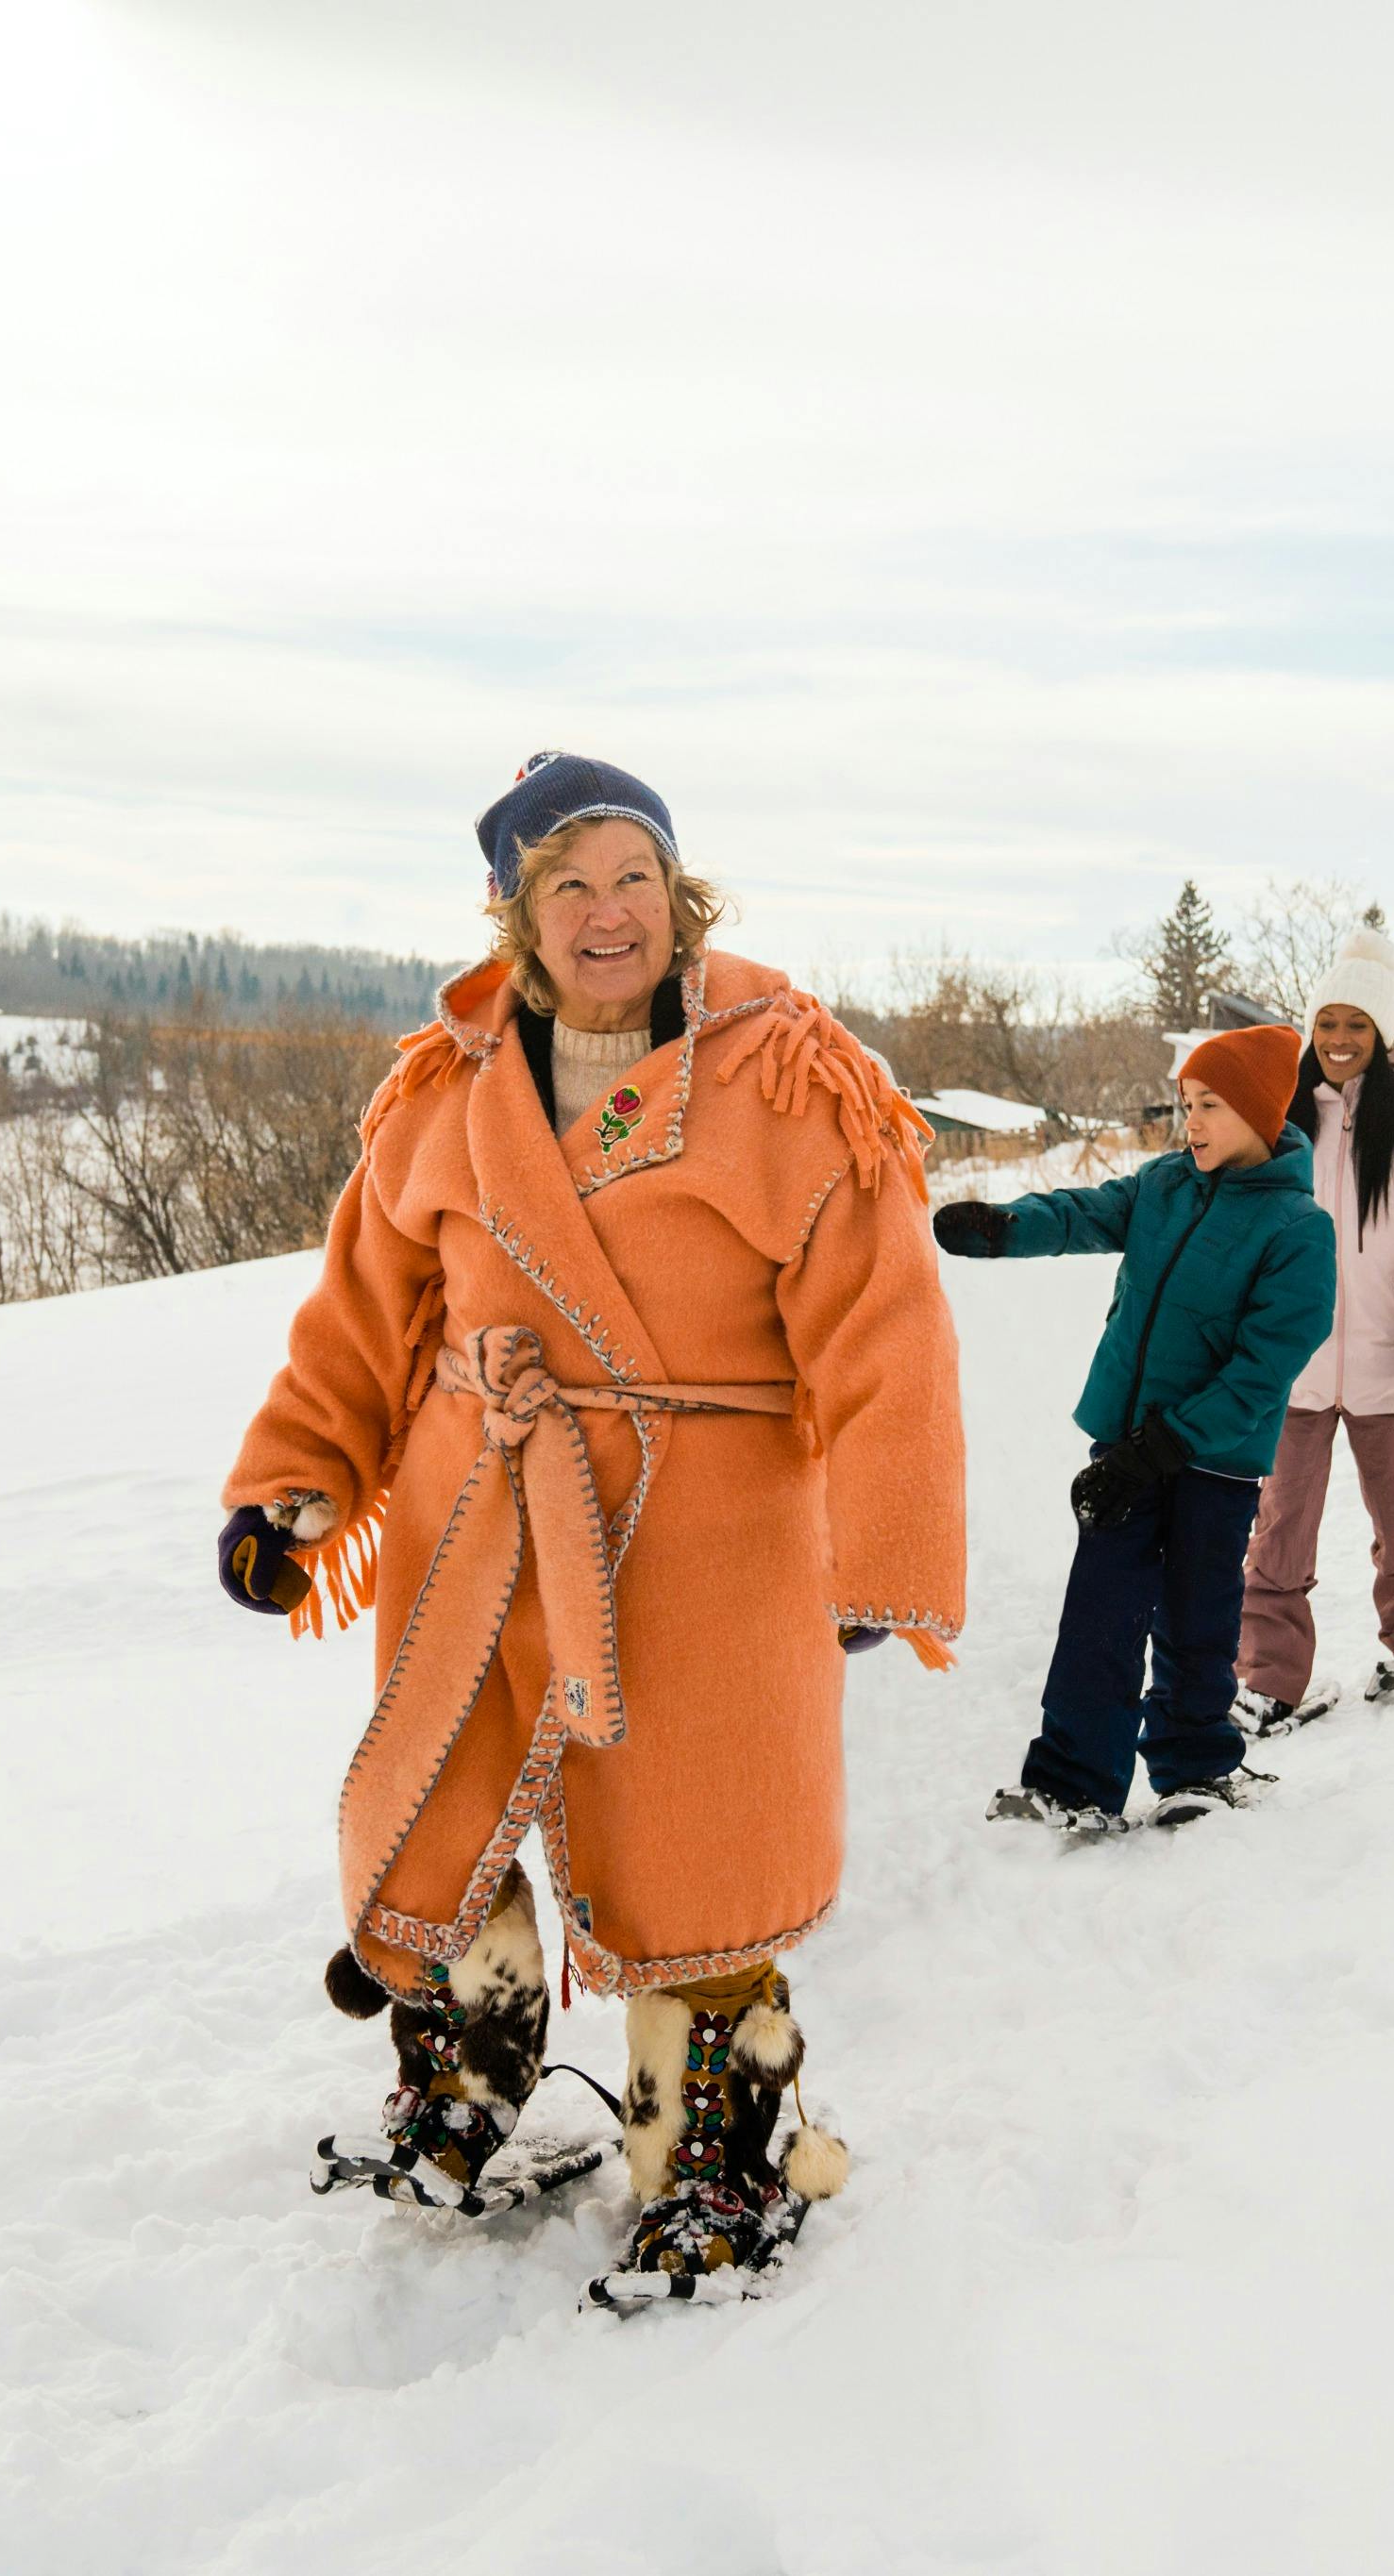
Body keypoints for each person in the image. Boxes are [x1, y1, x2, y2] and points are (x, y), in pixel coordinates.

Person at [212, 751, 966, 2302]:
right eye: (568, 885)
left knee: (697, 1854)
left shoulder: (783, 1074)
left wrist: (881, 1554)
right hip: (477, 1513)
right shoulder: (446, 1090)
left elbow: (886, 1327)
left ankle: (724, 2156)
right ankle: (464, 2085)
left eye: (634, 878)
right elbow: (362, 1321)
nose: (606, 912)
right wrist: (297, 1488)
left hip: (704, 1530)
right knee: (437, 1813)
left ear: (680, 897)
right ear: (515, 914)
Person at [932, 1023, 1335, 1835]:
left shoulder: (1298, 1229)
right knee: (1101, 1609)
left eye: (1210, 1106)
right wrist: (1008, 1230)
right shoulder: (1162, 1187)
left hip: (1211, 1462)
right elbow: (1083, 1212)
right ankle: (1074, 1778)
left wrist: (1169, 1446)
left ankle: (1197, 1768)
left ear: (1259, 1113)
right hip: (1124, 1446)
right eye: (1186, 1104)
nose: (1190, 1122)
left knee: (1197, 1617)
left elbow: (1264, 1370)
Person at [1229, 926, 1394, 1731]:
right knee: (1279, 1530)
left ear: (1381, 1035)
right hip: (1291, 1368)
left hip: (1386, 1365)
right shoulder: (1278, 1122)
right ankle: (1267, 1676)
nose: (1339, 1040)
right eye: (1328, 1023)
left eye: (1356, 1026)